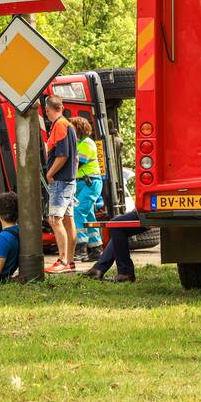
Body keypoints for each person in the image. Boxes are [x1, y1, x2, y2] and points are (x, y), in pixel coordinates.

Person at [43, 95, 78, 274]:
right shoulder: (69, 125)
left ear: (48, 109)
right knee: (68, 220)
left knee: (55, 220)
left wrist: (50, 173)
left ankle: (62, 260)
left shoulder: (59, 125)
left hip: (60, 181)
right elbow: (76, 158)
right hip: (69, 181)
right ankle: (70, 262)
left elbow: (62, 155)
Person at [82, 210, 149, 283]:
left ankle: (125, 272)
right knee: (118, 227)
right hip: (154, 210)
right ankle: (98, 269)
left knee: (116, 224)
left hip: (151, 211)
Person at [70, 116, 103, 262]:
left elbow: (78, 163)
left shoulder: (87, 143)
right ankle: (96, 249)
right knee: (88, 216)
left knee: (78, 211)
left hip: (90, 183)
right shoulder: (79, 143)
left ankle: (81, 249)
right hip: (84, 183)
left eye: (72, 127)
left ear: (79, 128)